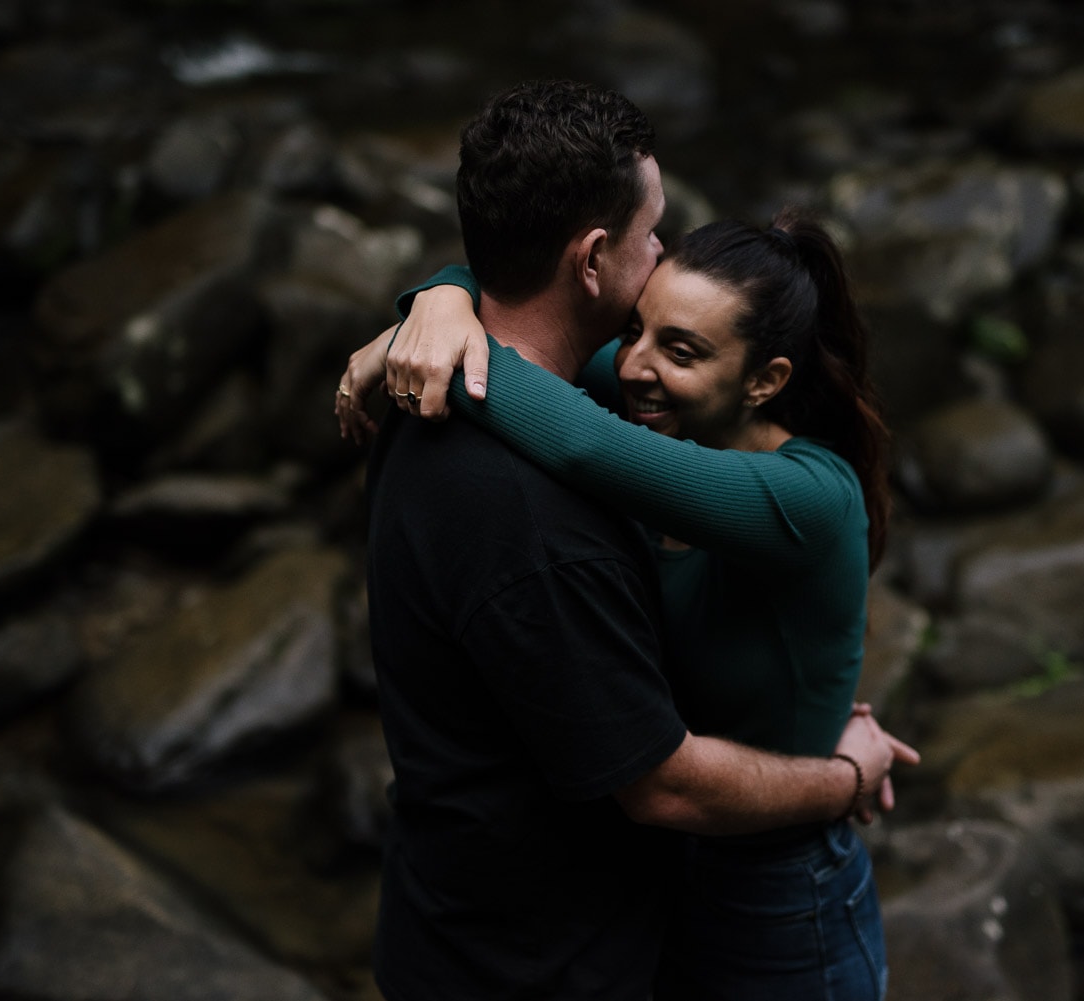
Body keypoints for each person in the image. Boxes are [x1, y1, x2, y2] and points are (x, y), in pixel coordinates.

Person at [343, 78, 913, 1001]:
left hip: (775, 895)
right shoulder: (628, 391)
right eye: (652, 237)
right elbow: (563, 415)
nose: (643, 353)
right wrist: (441, 303)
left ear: (765, 379)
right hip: (607, 910)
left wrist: (434, 311)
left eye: (682, 347)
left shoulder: (802, 491)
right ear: (595, 259)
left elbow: (569, 424)